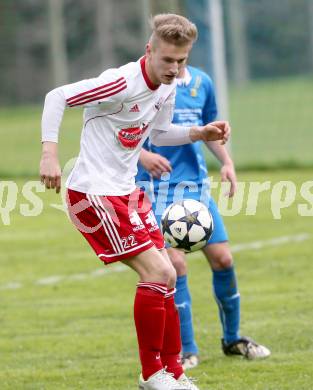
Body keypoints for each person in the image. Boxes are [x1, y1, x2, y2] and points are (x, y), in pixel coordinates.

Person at [39, 13, 231, 390]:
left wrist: (198, 133)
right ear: (150, 50)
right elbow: (56, 96)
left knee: (170, 274)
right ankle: (151, 374)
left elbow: (158, 134)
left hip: (126, 192)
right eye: (168, 60)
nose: (175, 69)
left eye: (182, 61)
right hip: (94, 194)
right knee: (158, 273)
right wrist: (49, 153)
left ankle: (174, 372)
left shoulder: (167, 86)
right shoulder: (120, 82)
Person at [136, 63, 271, 370]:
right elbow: (118, 129)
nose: (174, 62)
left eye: (179, 55)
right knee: (176, 265)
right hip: (155, 189)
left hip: (194, 187)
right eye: (168, 55)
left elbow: (206, 127)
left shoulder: (201, 82)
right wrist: (142, 155)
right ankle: (186, 349)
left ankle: (233, 339)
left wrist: (226, 161)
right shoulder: (145, 83)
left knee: (223, 259)